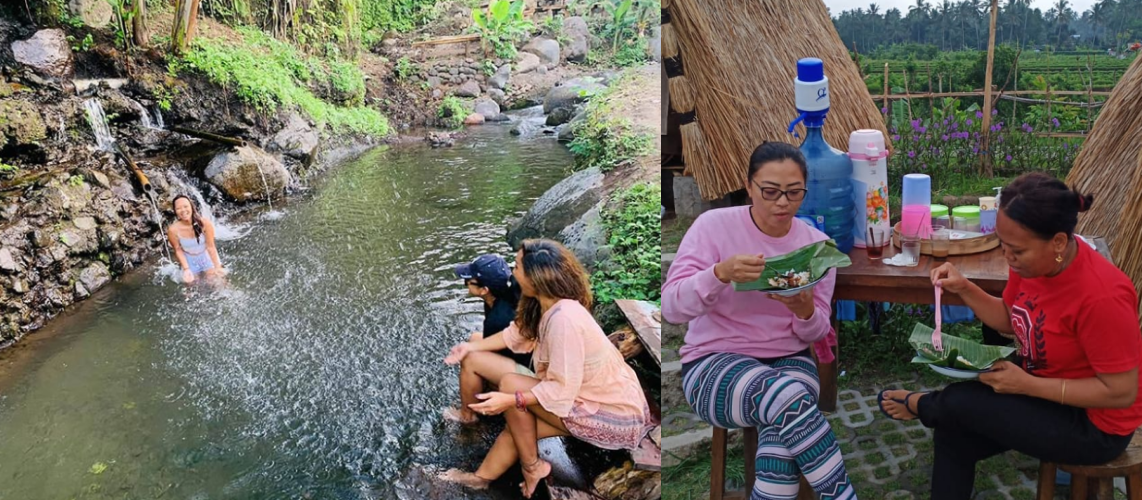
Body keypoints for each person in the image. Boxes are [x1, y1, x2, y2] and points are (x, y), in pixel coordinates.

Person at [878, 172, 1142, 500]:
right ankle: (938, 408)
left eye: (1016, 250)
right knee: (953, 429)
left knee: (960, 403)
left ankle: (925, 403)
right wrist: (964, 288)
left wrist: (1026, 385)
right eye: (1003, 244)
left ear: (1058, 242)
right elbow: (1010, 318)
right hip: (1043, 385)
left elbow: (1119, 393)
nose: (1007, 257)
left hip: (1093, 425)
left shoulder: (1103, 296)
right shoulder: (1031, 266)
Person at [663, 141, 858, 500]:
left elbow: (816, 332)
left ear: (804, 190)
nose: (782, 202)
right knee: (789, 398)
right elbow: (672, 308)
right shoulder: (713, 227)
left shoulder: (818, 248)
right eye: (770, 191)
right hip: (714, 362)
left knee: (781, 447)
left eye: (793, 192)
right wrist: (718, 273)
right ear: (749, 186)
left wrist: (803, 309)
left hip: (789, 360)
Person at [440, 239, 652, 498]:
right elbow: (516, 336)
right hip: (586, 397)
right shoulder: (545, 303)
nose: (512, 270)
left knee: (512, 391)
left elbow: (562, 391)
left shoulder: (564, 320)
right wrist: (470, 348)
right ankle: (482, 478)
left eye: (517, 266)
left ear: (535, 278)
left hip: (611, 415)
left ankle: (530, 468)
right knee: (519, 426)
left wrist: (511, 399)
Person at [443, 254, 533, 425]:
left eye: (468, 282)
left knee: (470, 359)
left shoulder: (499, 318)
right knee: (474, 338)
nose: (466, 284)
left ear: (484, 290)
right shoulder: (501, 296)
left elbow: (502, 349)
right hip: (523, 356)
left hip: (531, 375)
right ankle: (478, 390)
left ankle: (468, 416)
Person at [167, 194, 225, 285]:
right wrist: (186, 269)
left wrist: (217, 266)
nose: (183, 210)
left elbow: (211, 247)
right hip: (189, 259)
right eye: (178, 208)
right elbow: (177, 249)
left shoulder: (205, 223)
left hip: (206, 256)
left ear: (191, 206)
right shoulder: (173, 230)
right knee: (191, 287)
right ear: (175, 211)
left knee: (217, 282)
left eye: (185, 206)